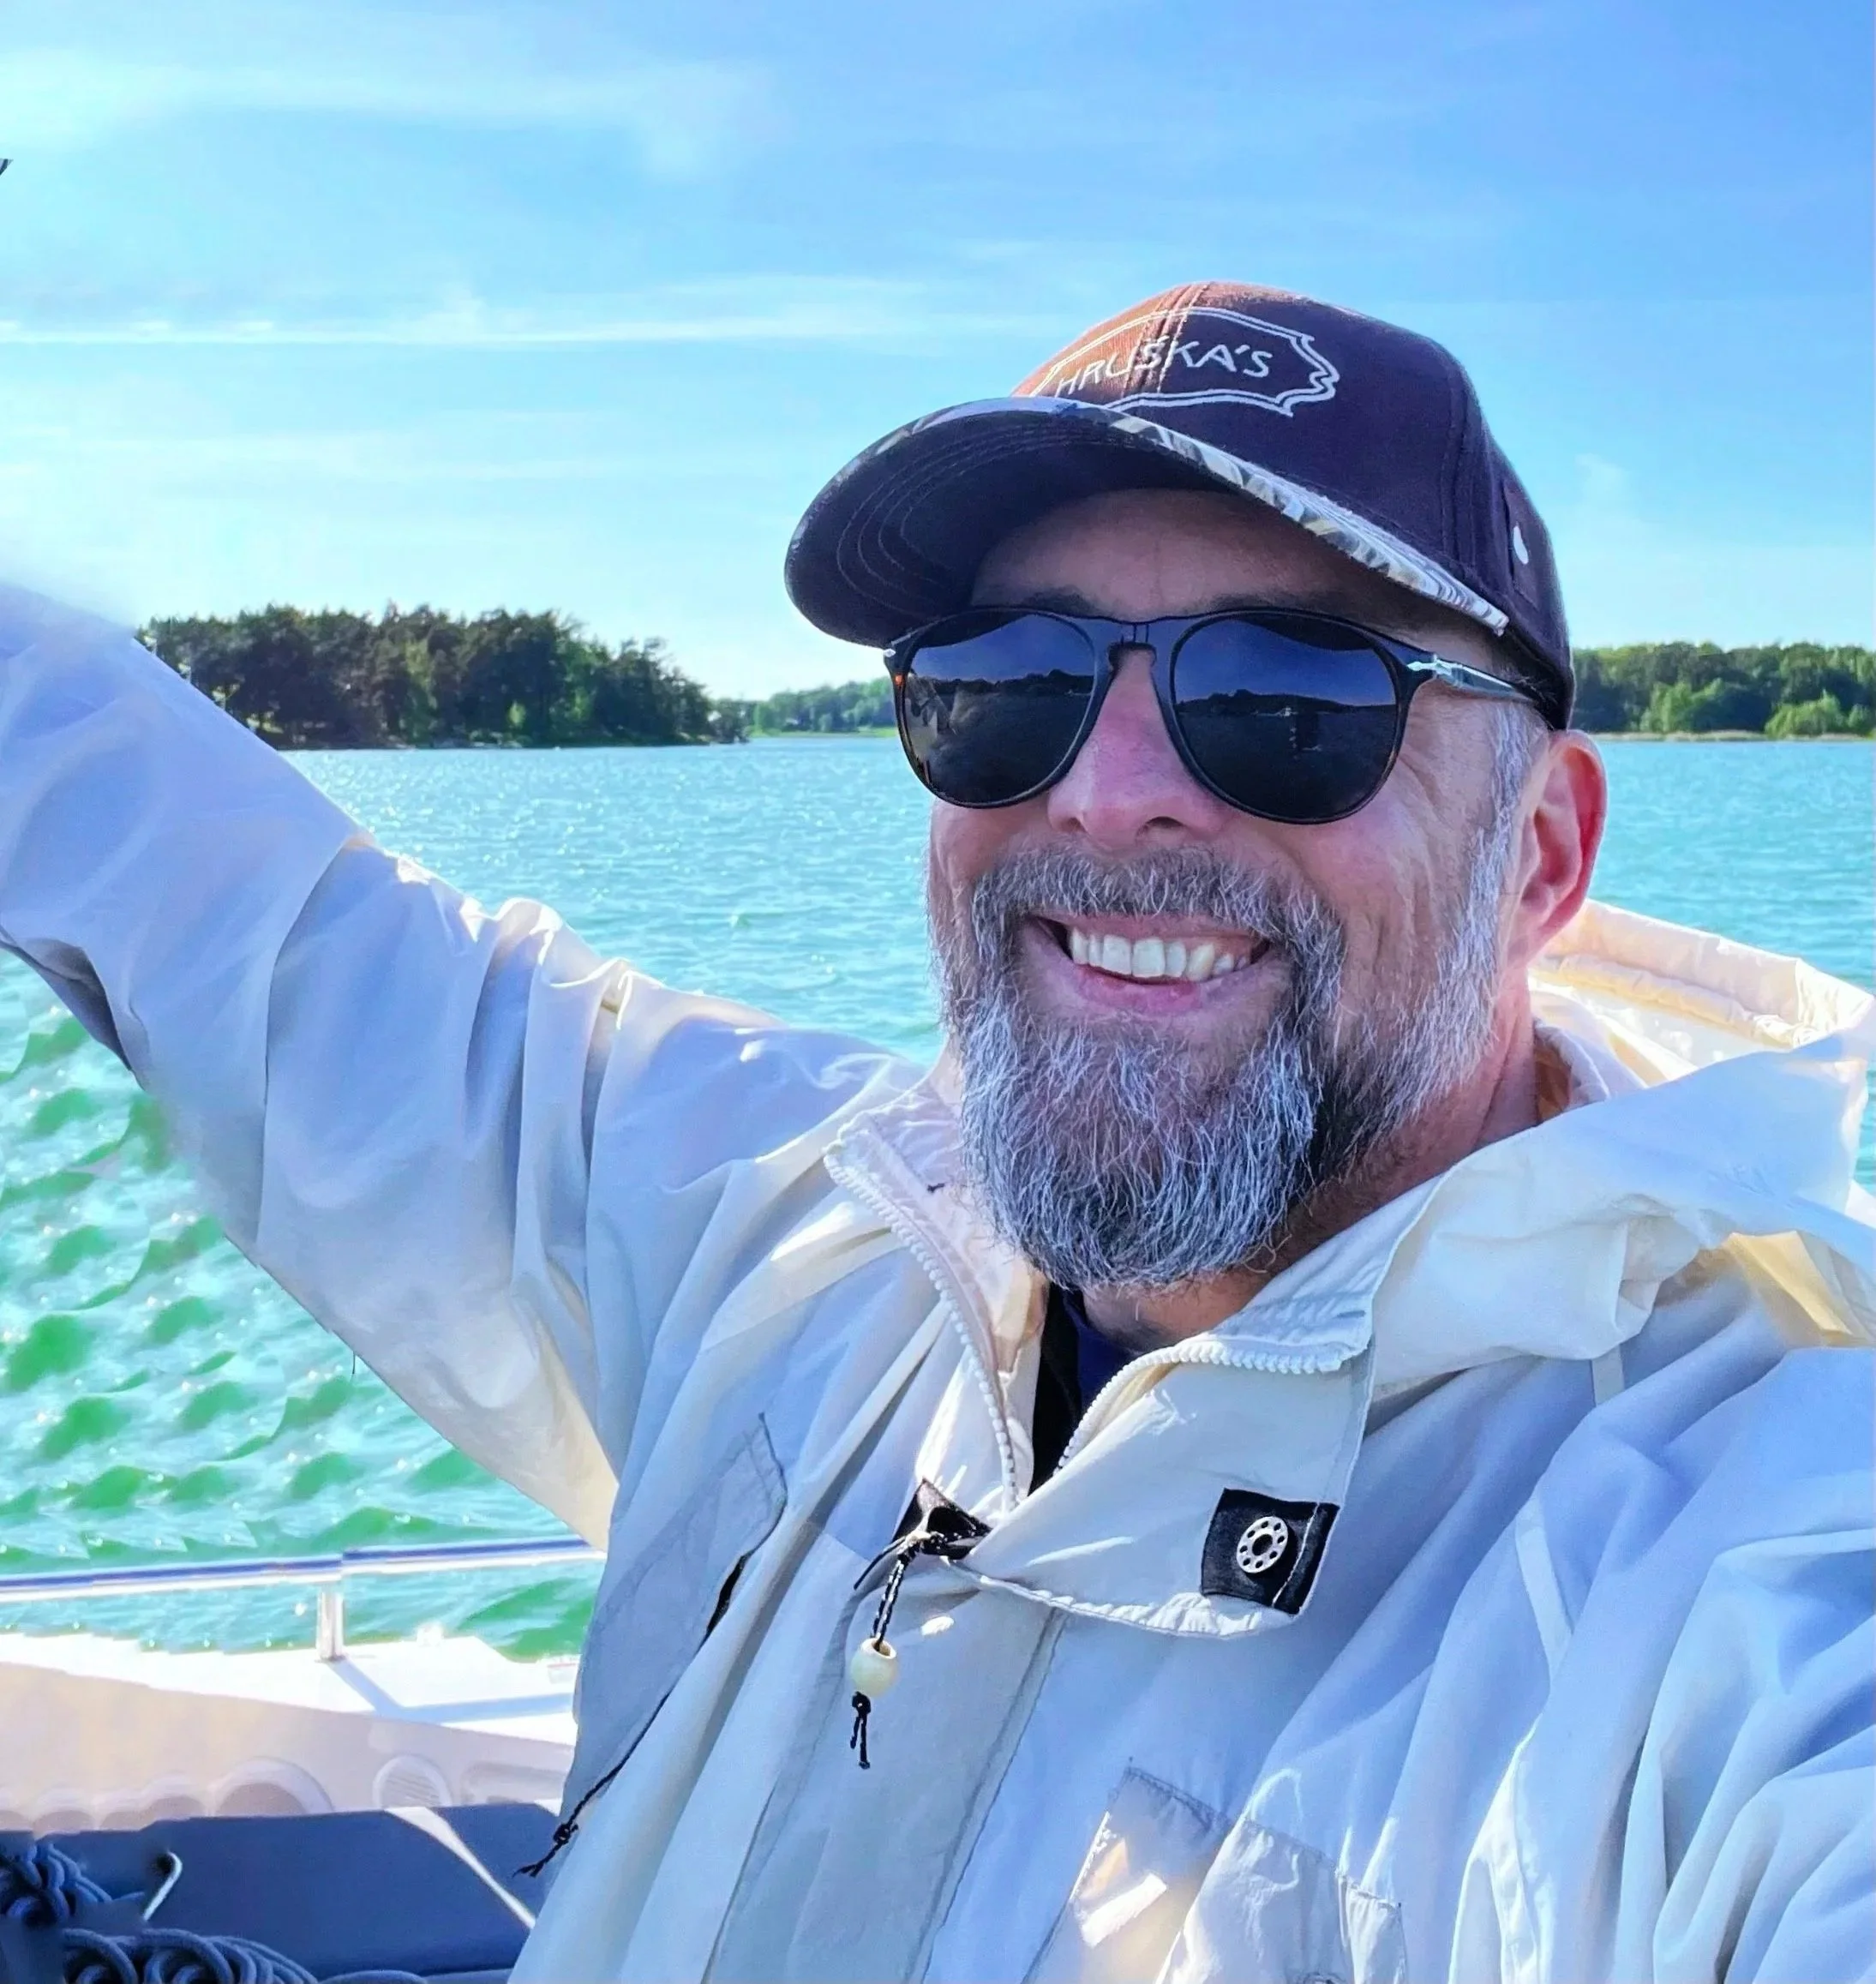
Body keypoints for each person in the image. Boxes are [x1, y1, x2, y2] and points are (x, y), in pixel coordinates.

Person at [0, 281, 1869, 1983]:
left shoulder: (1738, 1573)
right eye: (1008, 685)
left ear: (1539, 853)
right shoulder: (804, 1233)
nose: (1107, 791)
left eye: (1286, 700)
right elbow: (277, 935)